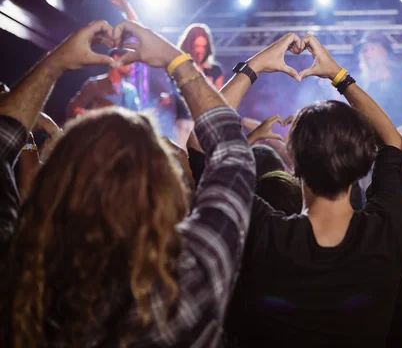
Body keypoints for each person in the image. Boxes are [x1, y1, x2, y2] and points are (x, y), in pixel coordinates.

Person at [0, 19, 262, 346]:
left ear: (56, 181)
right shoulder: (186, 282)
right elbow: (233, 153)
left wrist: (53, 65)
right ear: (162, 188)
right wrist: (174, 60)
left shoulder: (14, 269)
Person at [223, 33, 402, 347]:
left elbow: (204, 145)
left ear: (292, 163)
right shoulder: (385, 231)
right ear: (365, 161)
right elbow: (395, 143)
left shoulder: (262, 232)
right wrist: (339, 76)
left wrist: (254, 66)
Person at [354, 33, 402, 129]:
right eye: (364, 50)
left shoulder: (400, 73)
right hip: (376, 133)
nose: (367, 54)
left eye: (372, 49)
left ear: (384, 52)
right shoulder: (359, 81)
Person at [66, 47, 141, 118]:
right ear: (116, 58)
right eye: (129, 61)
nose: (132, 66)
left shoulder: (131, 91)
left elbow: (137, 117)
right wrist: (99, 115)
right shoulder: (95, 84)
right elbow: (73, 109)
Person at [178, 23, 225, 89]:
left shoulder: (215, 70)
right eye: (197, 46)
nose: (200, 51)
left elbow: (220, 96)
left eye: (204, 46)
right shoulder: (180, 69)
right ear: (189, 46)